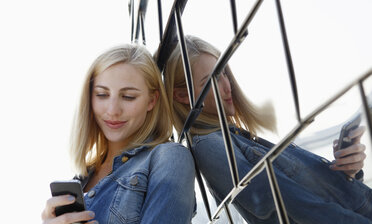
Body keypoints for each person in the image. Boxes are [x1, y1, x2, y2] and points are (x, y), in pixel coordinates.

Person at [163, 35, 372, 224]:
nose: (228, 86)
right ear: (182, 96)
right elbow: (293, 205)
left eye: (224, 72)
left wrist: (348, 171)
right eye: (212, 80)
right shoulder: (209, 144)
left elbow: (311, 197)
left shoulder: (234, 137)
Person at [41, 44, 196, 224]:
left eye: (128, 96)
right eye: (102, 94)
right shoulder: (79, 180)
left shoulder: (170, 158)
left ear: (151, 101)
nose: (113, 110)